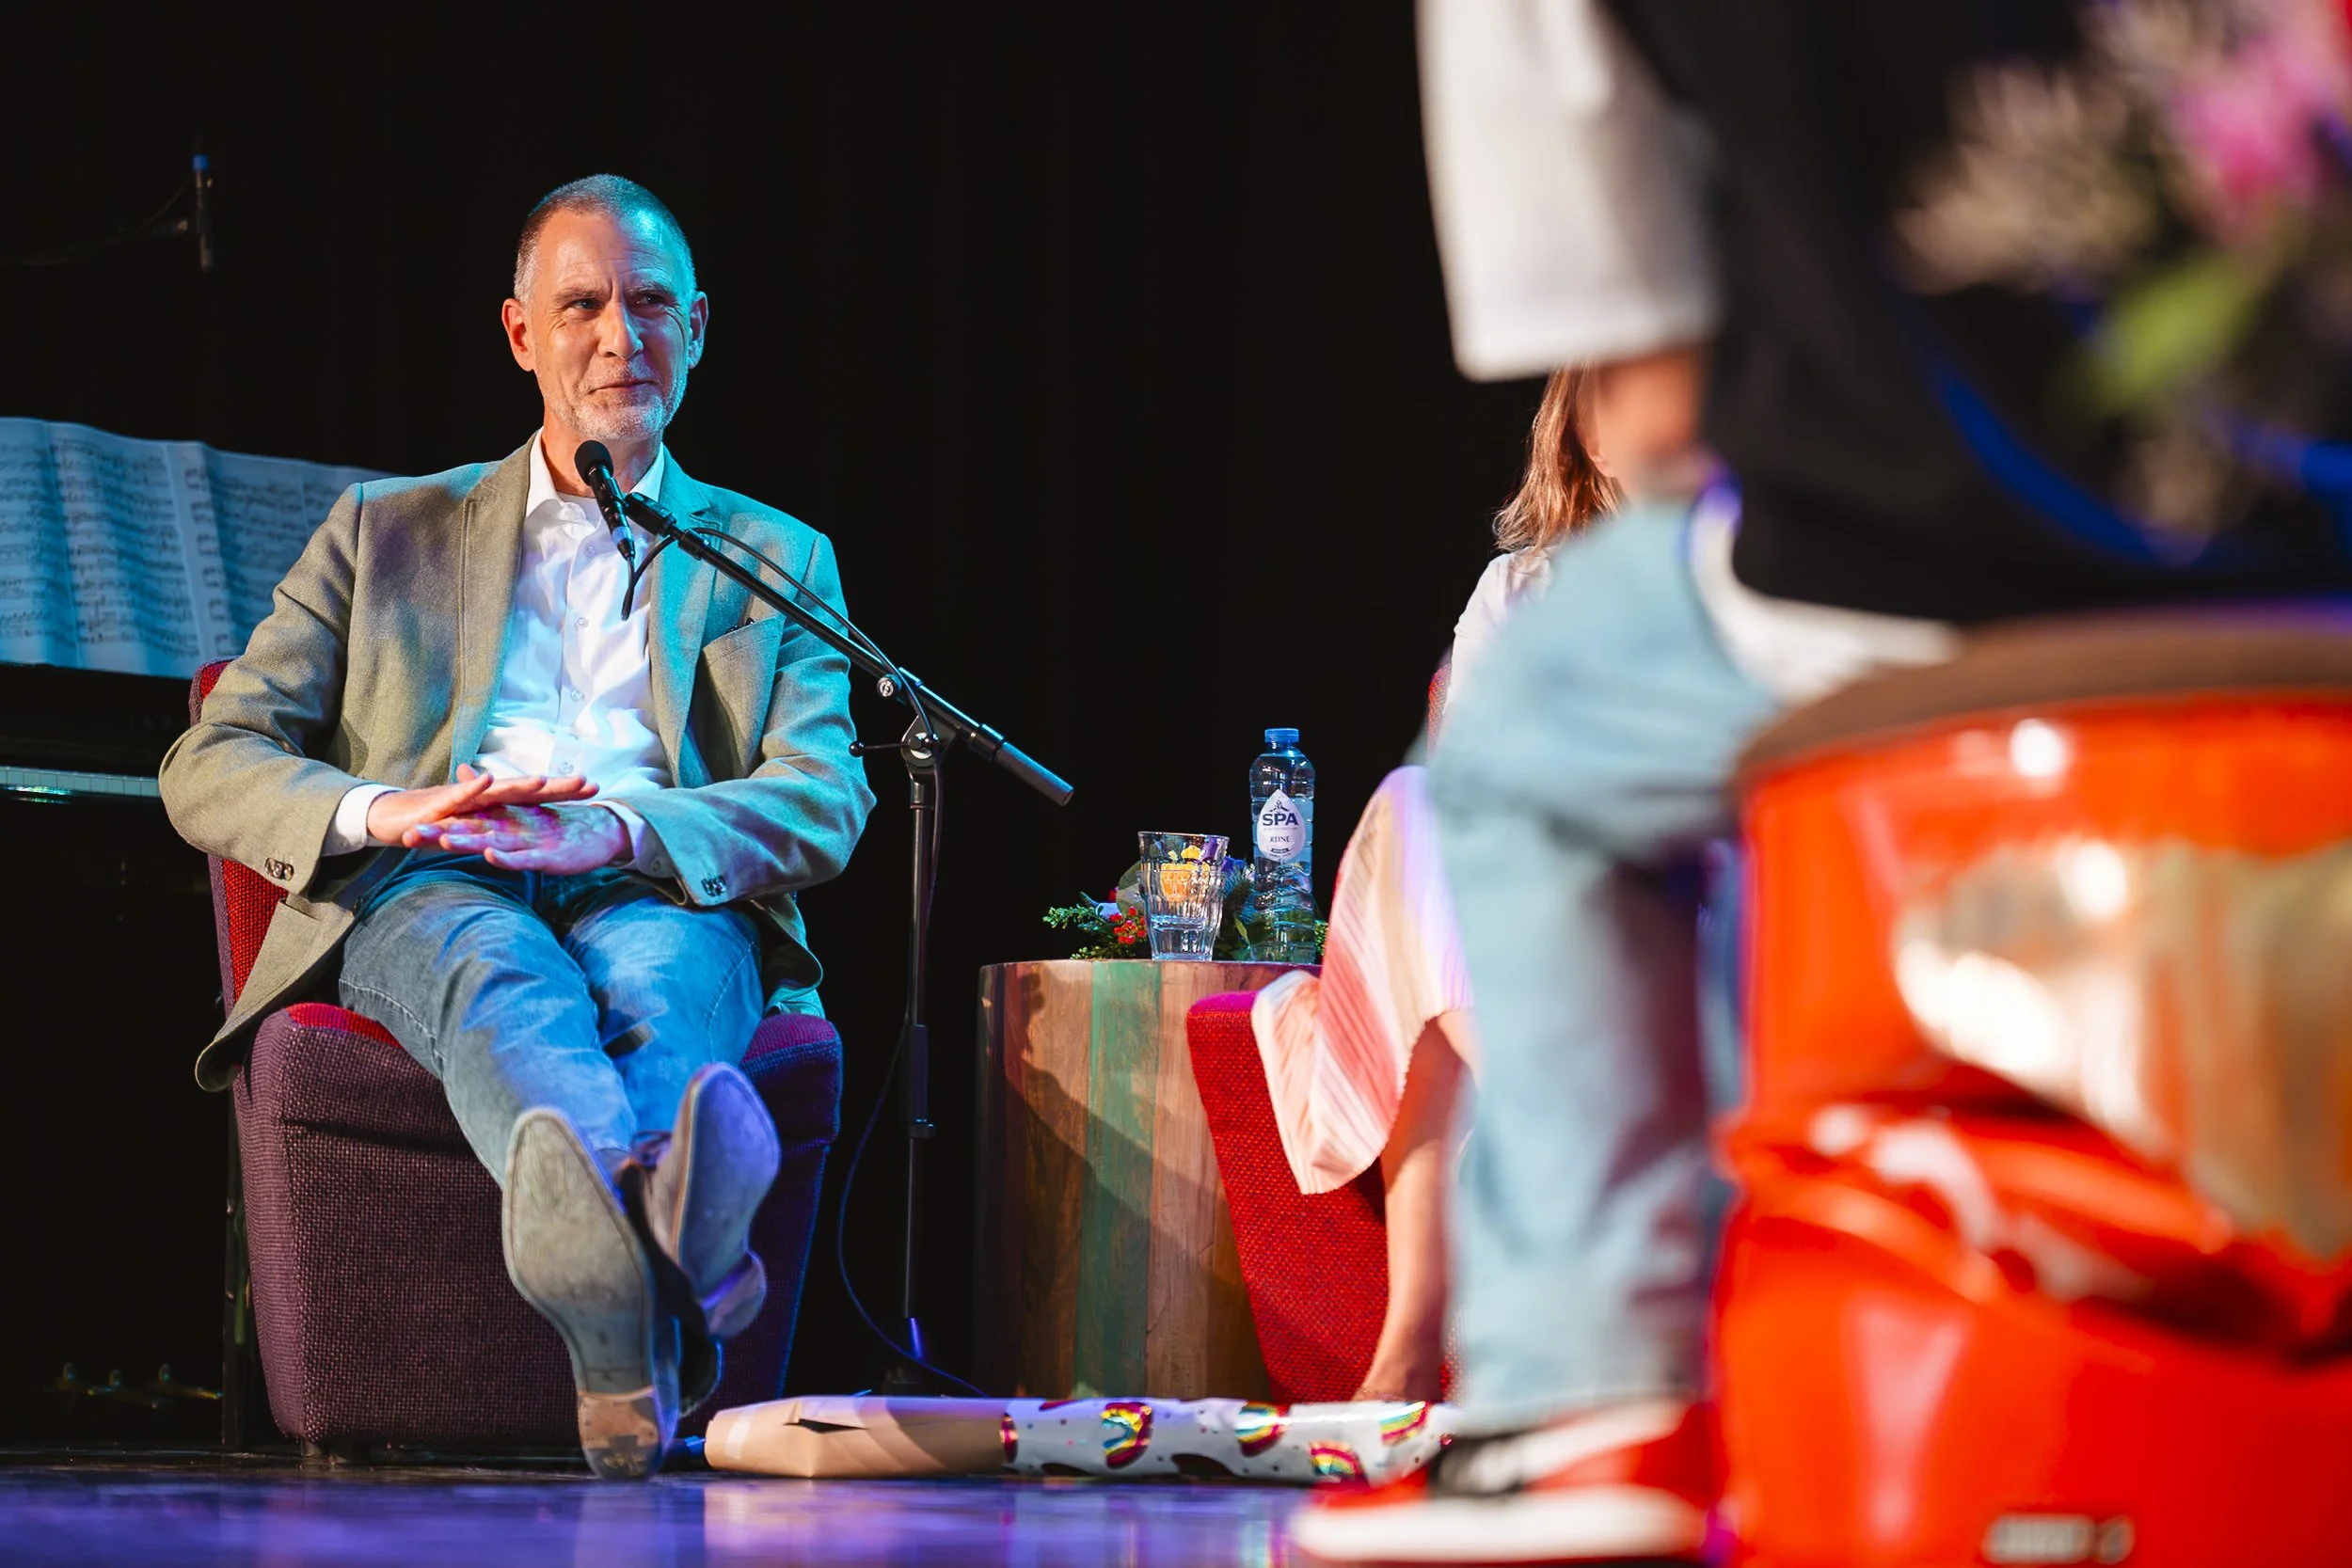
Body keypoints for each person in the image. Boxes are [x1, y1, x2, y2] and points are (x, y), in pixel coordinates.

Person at [1295, 1, 2352, 1561]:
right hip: (2310, 564)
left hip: (1913, 573)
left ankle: (1598, 1400)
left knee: (1521, 725)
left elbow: (1652, 418)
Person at [160, 175, 875, 1480]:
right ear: (520, 333)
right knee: (505, 977)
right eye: (583, 304)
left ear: (700, 325)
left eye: (652, 303)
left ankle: (615, 1317)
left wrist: (626, 832)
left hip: (656, 876)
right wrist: (389, 805)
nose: (621, 336)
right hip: (438, 876)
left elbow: (826, 797)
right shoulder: (385, 532)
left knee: (668, 973)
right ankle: (670, 1236)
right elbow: (210, 756)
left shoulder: (778, 556)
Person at [1248, 365, 1618, 1402]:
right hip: (1528, 900)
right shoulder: (1521, 588)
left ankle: (1413, 1343)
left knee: (1437, 979)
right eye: (1609, 394)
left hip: (1668, 899)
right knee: (1414, 811)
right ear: (1577, 430)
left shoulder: (1742, 573)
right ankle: (1413, 1337)